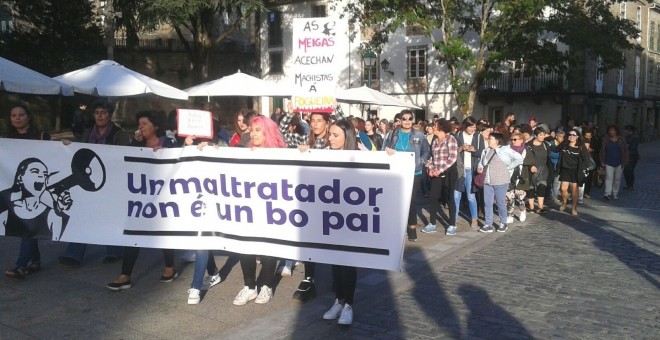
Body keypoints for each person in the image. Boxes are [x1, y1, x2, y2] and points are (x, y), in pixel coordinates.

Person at [107, 111, 179, 291]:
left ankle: (169, 267)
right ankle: (125, 275)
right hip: (140, 198)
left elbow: (180, 162)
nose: (141, 127)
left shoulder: (168, 143)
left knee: (164, 232)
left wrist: (165, 154)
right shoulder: (136, 144)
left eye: (145, 123)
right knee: (134, 233)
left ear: (155, 126)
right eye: (139, 124)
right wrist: (135, 144)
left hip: (163, 197)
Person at [58, 101, 131, 268]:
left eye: (103, 112)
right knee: (83, 214)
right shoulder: (87, 133)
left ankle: (114, 250)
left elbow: (124, 156)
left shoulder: (120, 134)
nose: (99, 115)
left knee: (109, 216)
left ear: (109, 115)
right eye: (97, 112)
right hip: (89, 182)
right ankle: (74, 253)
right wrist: (69, 146)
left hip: (112, 182)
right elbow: (80, 151)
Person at [232, 115, 286, 306]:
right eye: (252, 130)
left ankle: (267, 286)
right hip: (248, 209)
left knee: (268, 245)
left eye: (258, 130)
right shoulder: (245, 152)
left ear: (268, 132)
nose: (253, 134)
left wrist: (304, 152)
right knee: (245, 244)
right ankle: (249, 286)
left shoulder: (281, 154)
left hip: (272, 210)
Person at [2, 105, 56, 280]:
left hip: (37, 190)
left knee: (28, 225)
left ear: (28, 117)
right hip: (18, 190)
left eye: (21, 115)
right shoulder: (7, 140)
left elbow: (57, 155)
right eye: (13, 115)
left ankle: (21, 265)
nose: (17, 118)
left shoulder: (42, 137)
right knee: (27, 226)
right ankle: (35, 261)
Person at [291, 111, 332, 302]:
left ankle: (336, 276)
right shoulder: (308, 142)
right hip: (311, 198)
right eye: (312, 121)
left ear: (327, 122)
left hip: (333, 198)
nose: (315, 124)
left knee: (332, 238)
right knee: (309, 237)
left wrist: (389, 155)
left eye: (319, 121)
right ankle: (309, 278)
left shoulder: (335, 140)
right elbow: (284, 131)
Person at [321, 119, 360, 326]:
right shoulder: (325, 153)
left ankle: (349, 304)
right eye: (330, 134)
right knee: (335, 261)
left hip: (352, 217)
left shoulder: (358, 154)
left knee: (348, 262)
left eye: (335, 135)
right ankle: (339, 300)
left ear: (347, 136)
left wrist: (390, 157)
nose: (330, 138)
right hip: (331, 216)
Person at [384, 109, 430, 241]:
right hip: (397, 172)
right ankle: (399, 227)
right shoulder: (392, 134)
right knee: (397, 200)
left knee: (411, 200)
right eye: (404, 119)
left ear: (413, 120)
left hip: (414, 171)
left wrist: (420, 161)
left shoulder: (419, 135)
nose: (407, 121)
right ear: (400, 120)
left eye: (410, 118)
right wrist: (388, 151)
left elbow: (426, 151)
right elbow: (384, 149)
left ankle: (412, 227)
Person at [477, 132, 523, 233]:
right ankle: (488, 224)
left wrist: (509, 167)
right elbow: (481, 162)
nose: (488, 140)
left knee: (500, 202)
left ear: (497, 141)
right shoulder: (486, 150)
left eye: (490, 139)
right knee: (487, 203)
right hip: (488, 180)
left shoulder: (505, 149)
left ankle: (503, 223)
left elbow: (519, 158)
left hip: (501, 180)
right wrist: (480, 167)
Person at [421, 119, 458, 235]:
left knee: (449, 198)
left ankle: (452, 225)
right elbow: (433, 157)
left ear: (441, 127)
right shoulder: (435, 140)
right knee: (433, 197)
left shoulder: (451, 139)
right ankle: (432, 224)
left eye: (435, 125)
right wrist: (431, 168)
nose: (433, 127)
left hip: (449, 173)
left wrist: (440, 170)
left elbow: (452, 158)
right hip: (436, 172)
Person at [453, 117, 484, 231]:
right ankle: (453, 220)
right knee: (456, 196)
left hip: (471, 169)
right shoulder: (458, 135)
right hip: (459, 169)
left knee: (471, 196)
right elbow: (452, 150)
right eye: (471, 127)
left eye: (474, 127)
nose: (473, 129)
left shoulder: (478, 136)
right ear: (465, 126)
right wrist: (460, 148)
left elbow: (482, 152)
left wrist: (473, 150)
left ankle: (474, 218)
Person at [558, 129, 590, 216]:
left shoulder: (581, 146)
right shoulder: (564, 144)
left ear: (577, 136)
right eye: (570, 135)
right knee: (563, 189)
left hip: (575, 170)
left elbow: (586, 158)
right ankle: (565, 202)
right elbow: (555, 149)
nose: (572, 136)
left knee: (574, 190)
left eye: (574, 135)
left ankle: (574, 207)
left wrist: (585, 168)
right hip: (565, 169)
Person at [506, 132, 531, 223]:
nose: (513, 141)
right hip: (509, 174)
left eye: (515, 139)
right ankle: (510, 214)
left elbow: (530, 160)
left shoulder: (526, 150)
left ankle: (522, 210)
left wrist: (519, 160)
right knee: (509, 197)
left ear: (521, 140)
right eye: (512, 139)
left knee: (520, 197)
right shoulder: (507, 149)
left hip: (521, 176)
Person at [526, 127, 550, 214]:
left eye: (543, 135)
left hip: (543, 169)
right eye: (540, 135)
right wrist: (530, 166)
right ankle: (531, 207)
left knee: (542, 187)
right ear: (536, 135)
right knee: (531, 188)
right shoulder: (529, 145)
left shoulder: (546, 144)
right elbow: (525, 157)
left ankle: (540, 207)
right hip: (531, 170)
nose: (542, 136)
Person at [600, 125, 628, 200]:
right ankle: (607, 193)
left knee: (617, 178)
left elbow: (625, 151)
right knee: (609, 177)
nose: (611, 132)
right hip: (608, 162)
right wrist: (602, 161)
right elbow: (602, 151)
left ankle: (615, 193)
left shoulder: (621, 140)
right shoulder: (606, 140)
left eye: (613, 130)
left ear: (616, 131)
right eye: (610, 130)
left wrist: (625, 161)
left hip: (619, 162)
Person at [623, 125, 639, 190]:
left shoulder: (635, 137)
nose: (625, 131)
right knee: (625, 170)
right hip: (627, 155)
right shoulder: (627, 137)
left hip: (633, 156)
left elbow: (632, 147)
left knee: (630, 170)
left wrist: (627, 146)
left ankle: (631, 185)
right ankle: (627, 184)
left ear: (630, 130)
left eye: (626, 130)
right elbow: (625, 145)